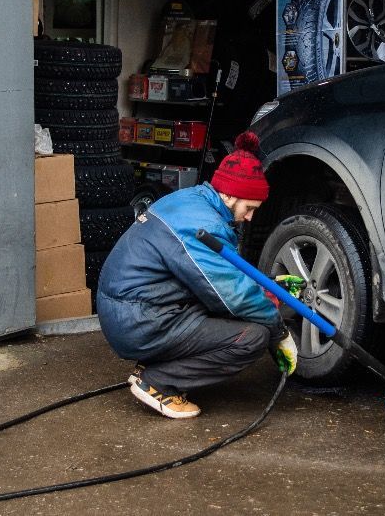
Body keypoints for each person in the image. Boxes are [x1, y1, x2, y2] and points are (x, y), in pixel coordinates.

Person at [96, 131, 298, 419]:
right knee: (253, 337)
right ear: (229, 195)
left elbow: (220, 277)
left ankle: (158, 365)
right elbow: (232, 296)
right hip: (139, 320)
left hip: (133, 309)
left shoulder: (192, 201)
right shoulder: (204, 226)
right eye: (249, 208)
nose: (250, 217)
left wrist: (264, 289)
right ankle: (159, 383)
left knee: (230, 309)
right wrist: (278, 331)